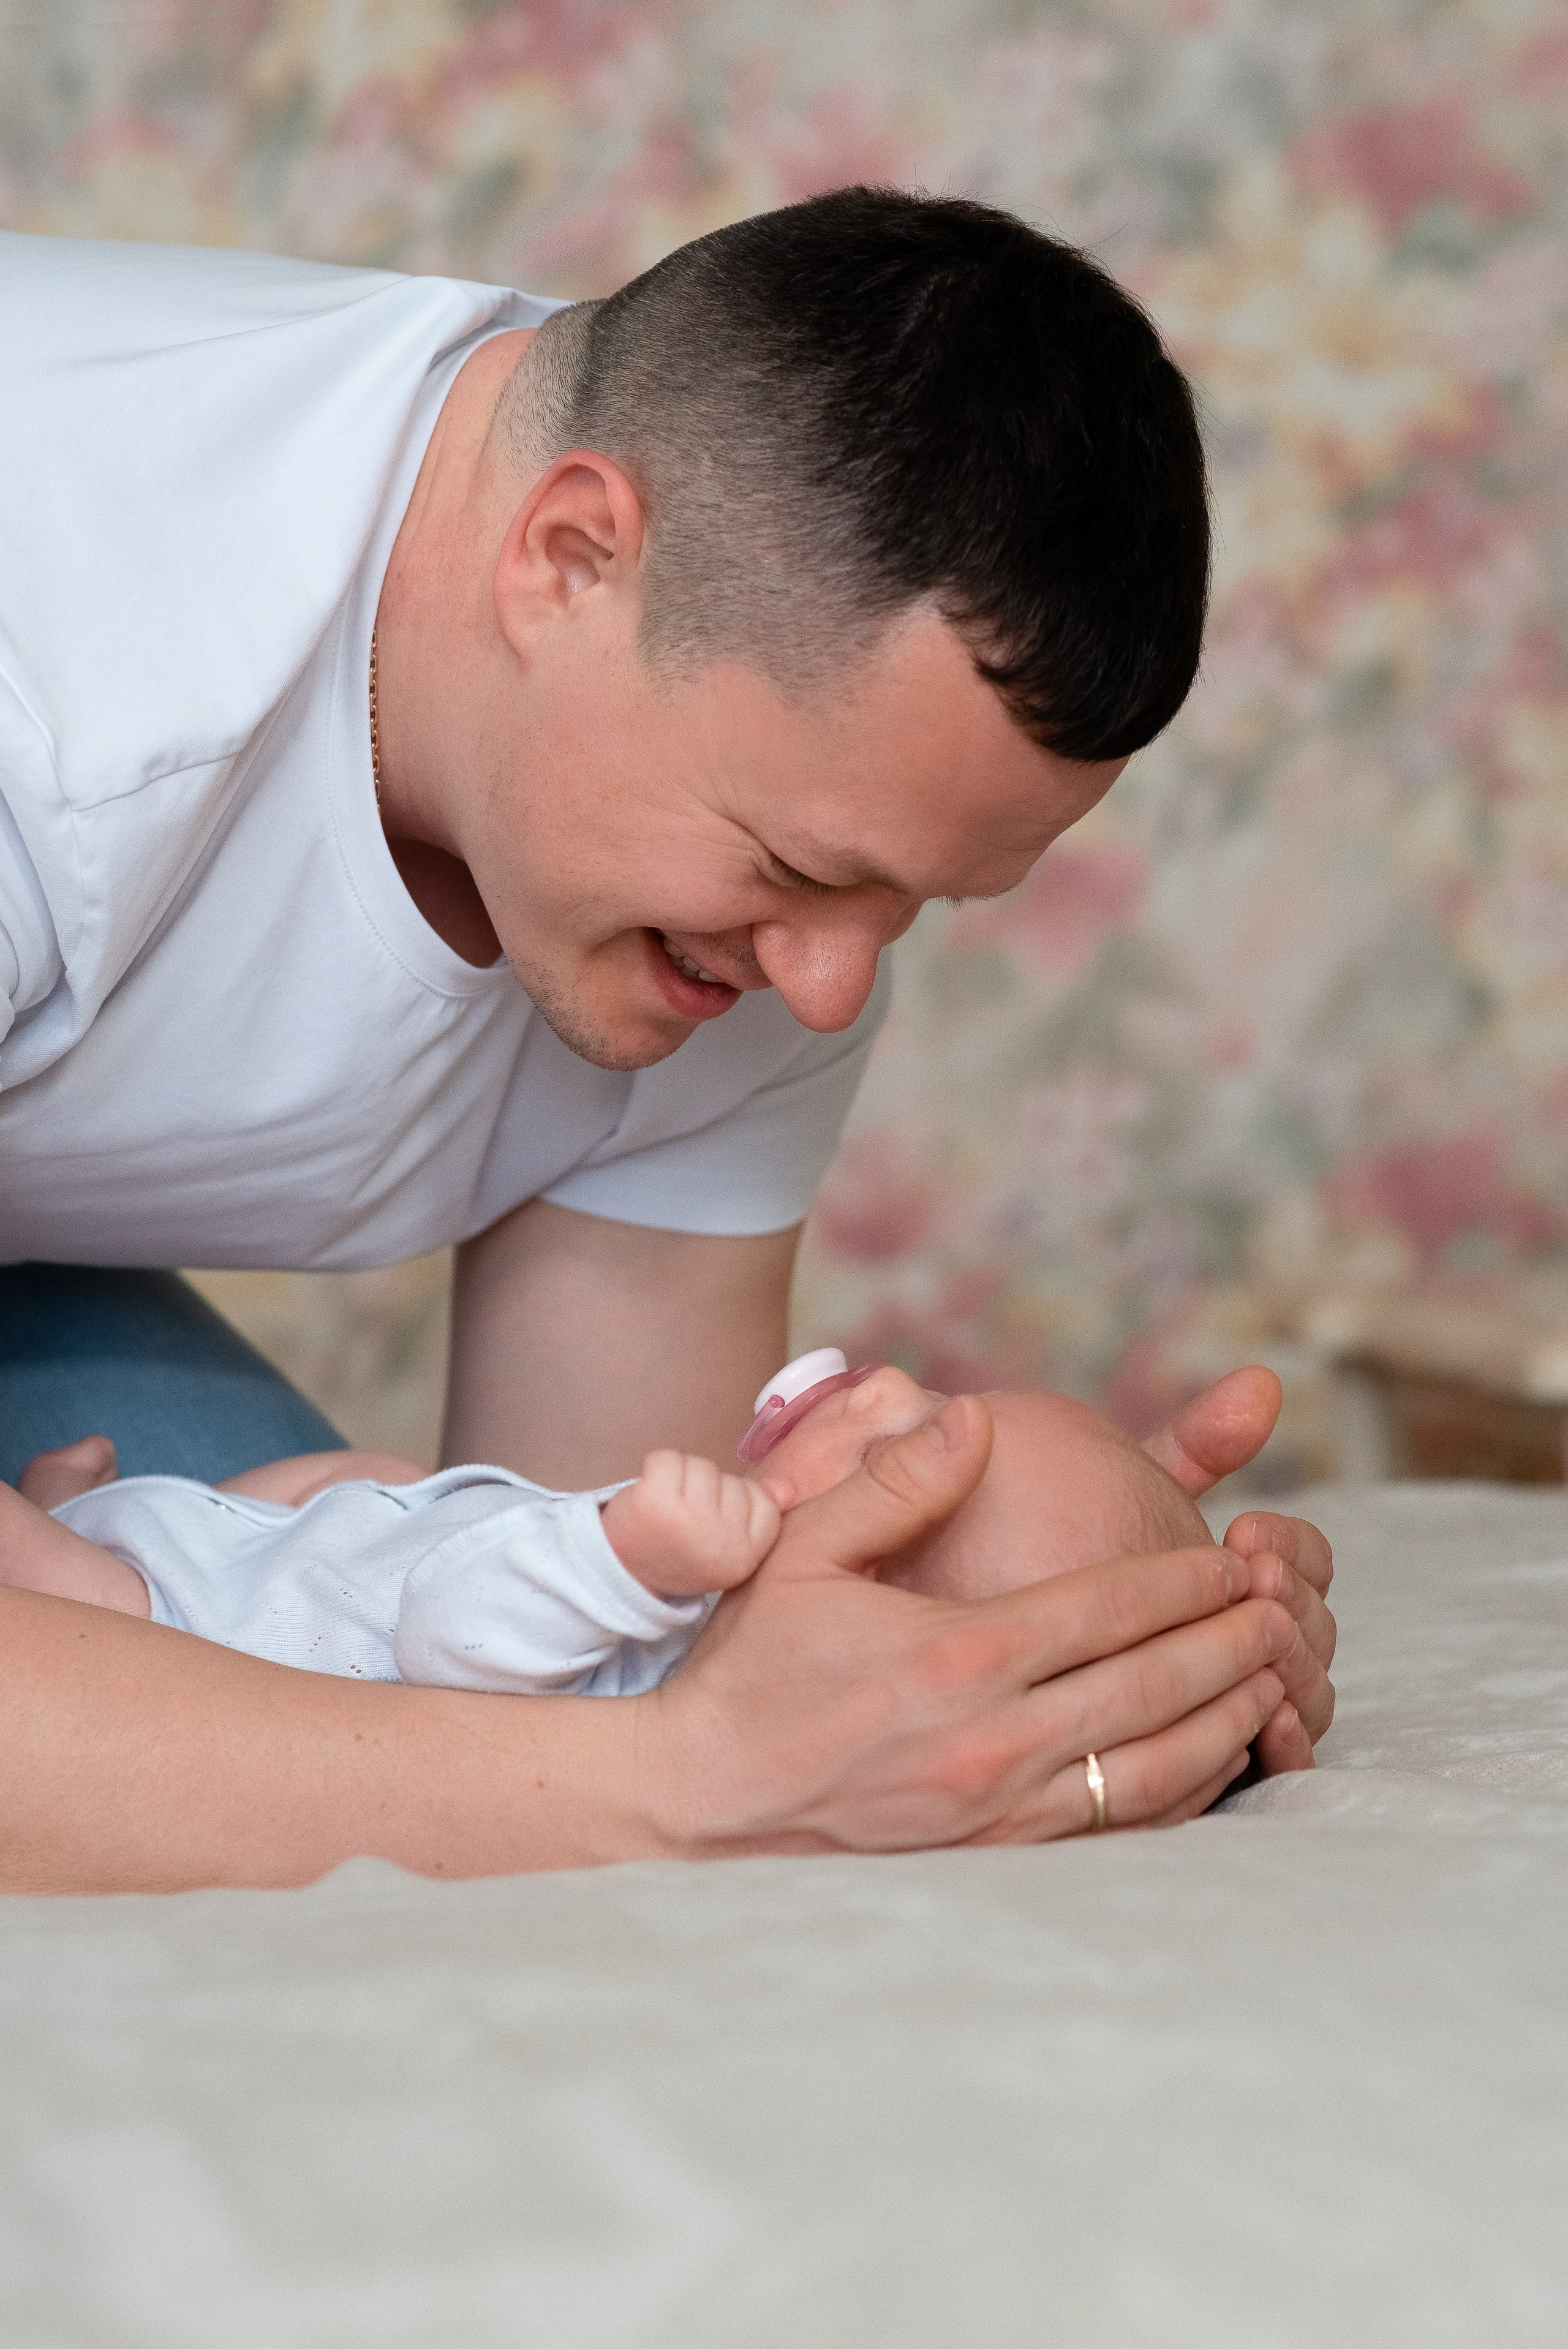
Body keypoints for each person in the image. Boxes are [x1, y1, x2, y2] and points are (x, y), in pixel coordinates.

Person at [0, 189, 1335, 1889]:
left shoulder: (745, 942)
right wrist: (688, 1787)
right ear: (567, 557)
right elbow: (659, 1755)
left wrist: (1054, 1601)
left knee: (265, 1610)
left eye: (917, 903)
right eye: (802, 868)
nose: (832, 991)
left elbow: (604, 1605)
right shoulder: (67, 704)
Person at [6, 1349, 1233, 1704]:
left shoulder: (656, 1672)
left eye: (895, 1452)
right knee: (373, 1476)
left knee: (75, 1589)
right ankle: (82, 1507)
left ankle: (61, 1531)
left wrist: (626, 1562)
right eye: (945, 1396)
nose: (888, 1382)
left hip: (195, 1626)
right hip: (326, 1544)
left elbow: (446, 1634)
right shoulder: (702, 1615)